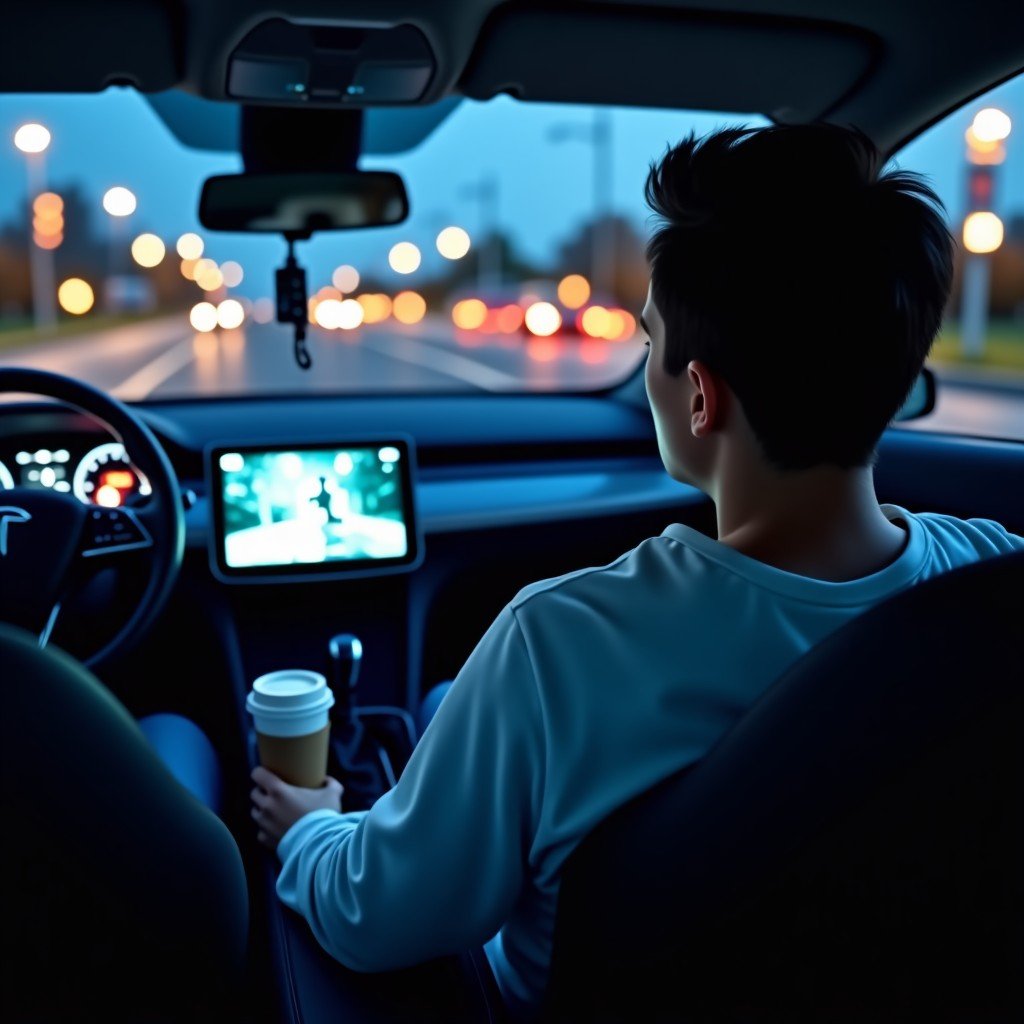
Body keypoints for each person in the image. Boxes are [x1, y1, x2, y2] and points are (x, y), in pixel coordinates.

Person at [249, 124, 1024, 1020]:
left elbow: (374, 914)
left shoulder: (559, 644)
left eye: (648, 342)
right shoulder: (995, 584)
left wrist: (308, 828)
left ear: (699, 395)